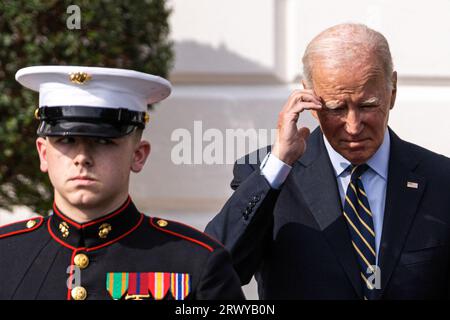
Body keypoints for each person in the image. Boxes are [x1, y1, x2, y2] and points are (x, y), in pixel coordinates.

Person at [205, 23, 450, 299]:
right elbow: (214, 271)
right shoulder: (267, 173)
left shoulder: (442, 179)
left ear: (392, 92)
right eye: (336, 108)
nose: (354, 126)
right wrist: (279, 164)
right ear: (308, 97)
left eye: (367, 105)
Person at [0, 65, 244, 300]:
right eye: (67, 140)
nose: (82, 158)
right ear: (44, 154)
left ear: (138, 156)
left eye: (104, 142)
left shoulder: (196, 263)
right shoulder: (6, 255)